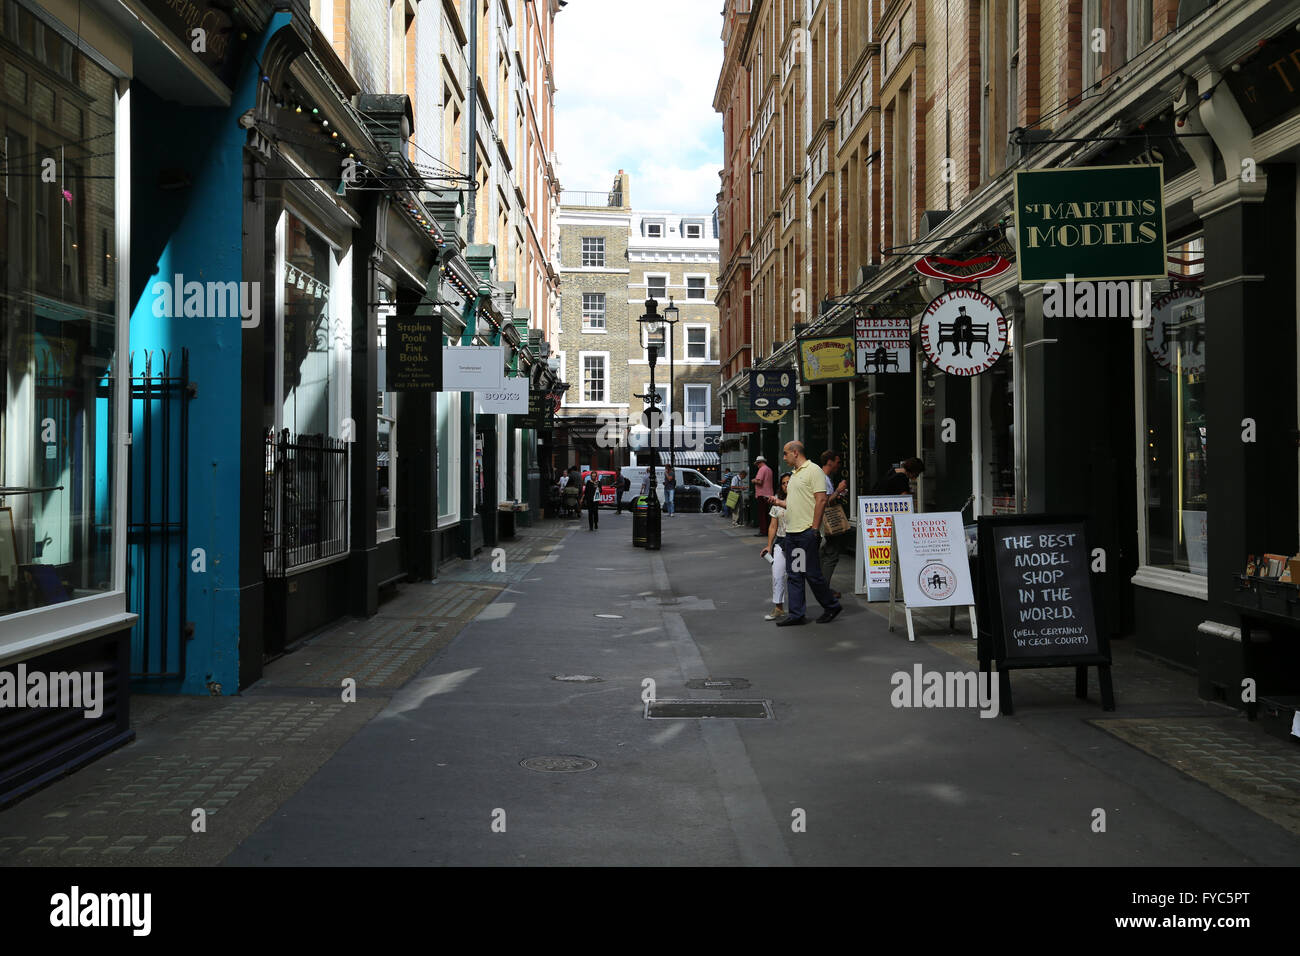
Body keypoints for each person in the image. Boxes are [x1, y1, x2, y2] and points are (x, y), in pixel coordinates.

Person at [777, 441, 843, 626]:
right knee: (795, 574)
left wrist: (815, 529)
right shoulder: (795, 475)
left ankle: (831, 605)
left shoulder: (814, 471)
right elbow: (795, 502)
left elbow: (821, 500)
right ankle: (797, 614)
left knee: (812, 574)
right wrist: (778, 503)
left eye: (785, 454)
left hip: (806, 532)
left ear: (795, 453)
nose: (784, 457)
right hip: (793, 533)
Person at [759, 472, 793, 620]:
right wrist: (769, 545)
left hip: (797, 543)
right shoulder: (776, 502)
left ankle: (798, 609)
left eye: (789, 482)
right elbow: (773, 526)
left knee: (797, 576)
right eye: (784, 483)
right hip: (780, 542)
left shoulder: (801, 500)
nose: (786, 485)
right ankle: (778, 607)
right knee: (777, 574)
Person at [819, 450, 851, 600]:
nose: (839, 465)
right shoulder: (823, 479)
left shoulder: (824, 478)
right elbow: (825, 501)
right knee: (831, 555)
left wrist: (838, 493)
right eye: (837, 462)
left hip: (824, 523)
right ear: (830, 462)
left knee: (826, 554)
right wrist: (838, 490)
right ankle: (824, 590)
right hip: (827, 523)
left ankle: (823, 587)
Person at [752, 455, 774, 538]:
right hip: (769, 494)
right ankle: (768, 530)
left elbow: (759, 481)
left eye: (757, 464)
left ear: (760, 463)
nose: (757, 465)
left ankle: (763, 531)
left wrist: (753, 480)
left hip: (762, 494)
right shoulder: (769, 469)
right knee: (767, 513)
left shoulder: (762, 469)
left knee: (762, 514)